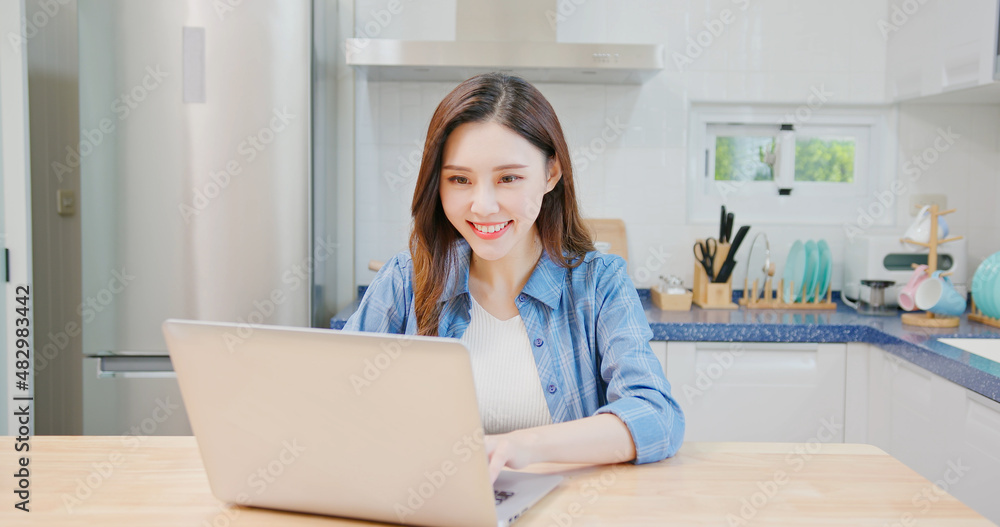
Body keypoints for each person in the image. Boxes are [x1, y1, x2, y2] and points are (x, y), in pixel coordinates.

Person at [344, 72, 684, 483]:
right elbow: (337, 407)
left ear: (551, 174)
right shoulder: (405, 280)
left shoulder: (599, 284)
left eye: (508, 178)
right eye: (459, 180)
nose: (483, 205)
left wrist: (521, 447)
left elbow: (656, 417)